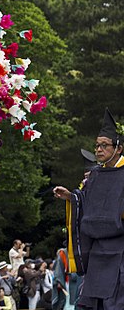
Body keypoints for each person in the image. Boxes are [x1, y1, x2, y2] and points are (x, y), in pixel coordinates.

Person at [53, 108, 124, 309]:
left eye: (104, 145)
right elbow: (85, 201)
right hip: (97, 251)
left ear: (118, 148)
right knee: (90, 302)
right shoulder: (93, 176)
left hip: (121, 249)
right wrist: (71, 197)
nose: (99, 150)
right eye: (97, 146)